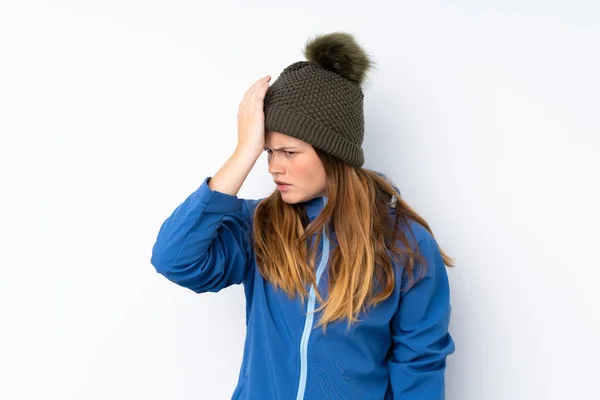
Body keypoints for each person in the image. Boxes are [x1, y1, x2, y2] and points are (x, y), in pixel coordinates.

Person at [151, 31, 455, 400]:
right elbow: (175, 259)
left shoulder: (403, 244)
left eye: (290, 152)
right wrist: (243, 152)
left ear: (333, 153)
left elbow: (419, 364)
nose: (273, 168)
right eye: (267, 152)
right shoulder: (259, 227)